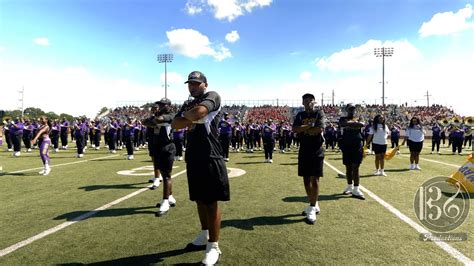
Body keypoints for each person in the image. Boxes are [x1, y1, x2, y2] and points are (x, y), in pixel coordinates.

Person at [171, 71, 229, 265]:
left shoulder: (212, 95)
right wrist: (189, 117)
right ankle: (205, 234)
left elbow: (200, 112)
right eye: (190, 84)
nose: (192, 86)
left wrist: (188, 117)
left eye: (196, 83)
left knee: (211, 202)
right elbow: (175, 124)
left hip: (211, 155)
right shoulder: (188, 103)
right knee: (199, 200)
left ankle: (214, 246)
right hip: (193, 156)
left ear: (205, 84)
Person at [292, 93, 325, 225]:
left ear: (314, 101)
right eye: (306, 100)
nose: (308, 102)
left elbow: (318, 129)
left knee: (314, 179)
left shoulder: (320, 113)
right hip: (304, 149)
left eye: (311, 100)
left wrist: (304, 129)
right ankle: (314, 203)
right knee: (306, 180)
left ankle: (311, 208)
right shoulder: (300, 115)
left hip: (316, 149)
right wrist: (308, 126)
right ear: (302, 102)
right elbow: (295, 129)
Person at [143, 98, 177, 216]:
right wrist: (153, 120)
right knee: (164, 173)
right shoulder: (157, 114)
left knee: (166, 175)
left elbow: (159, 120)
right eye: (160, 104)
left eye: (163, 105)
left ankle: (165, 201)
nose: (160, 106)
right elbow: (144, 122)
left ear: (169, 105)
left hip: (167, 147)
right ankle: (170, 196)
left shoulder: (171, 114)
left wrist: (154, 120)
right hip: (158, 147)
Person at [338, 104, 365, 199]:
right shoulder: (342, 118)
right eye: (350, 109)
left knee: (356, 166)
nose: (352, 111)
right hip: (346, 144)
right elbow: (343, 124)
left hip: (357, 144)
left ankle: (356, 188)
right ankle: (350, 186)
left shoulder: (359, 117)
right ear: (347, 110)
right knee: (348, 166)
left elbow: (362, 124)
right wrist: (354, 124)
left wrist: (350, 123)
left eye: (353, 109)